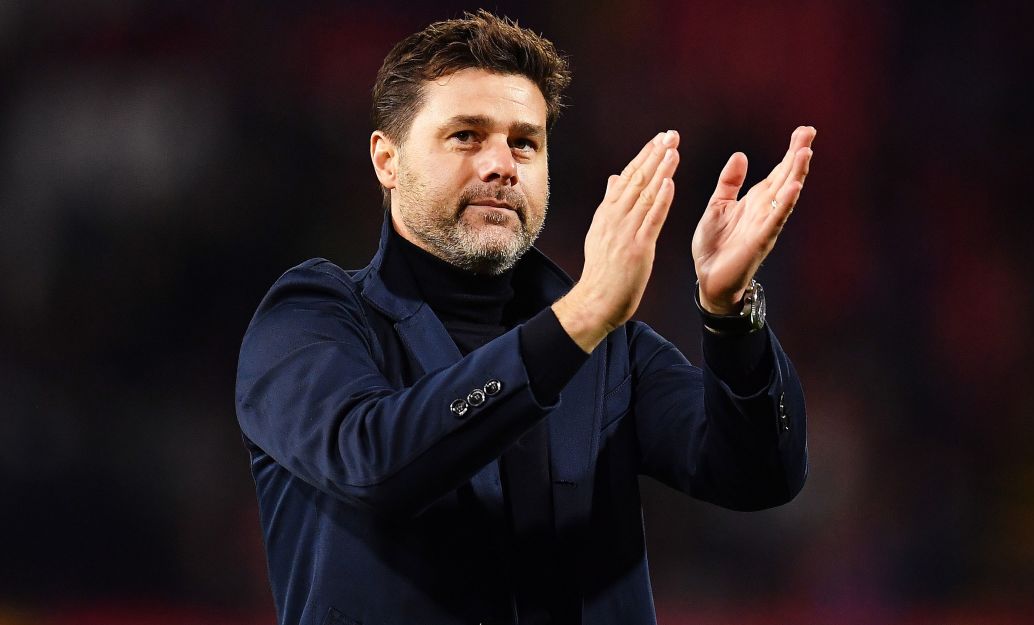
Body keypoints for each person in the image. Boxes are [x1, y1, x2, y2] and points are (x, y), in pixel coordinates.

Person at [235, 10, 814, 625]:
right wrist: (582, 317)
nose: (501, 165)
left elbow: (761, 478)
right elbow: (376, 462)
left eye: (524, 142)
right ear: (388, 160)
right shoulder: (310, 318)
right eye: (466, 136)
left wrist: (730, 318)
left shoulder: (612, 352)